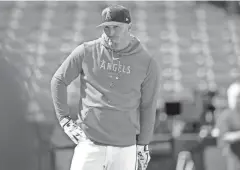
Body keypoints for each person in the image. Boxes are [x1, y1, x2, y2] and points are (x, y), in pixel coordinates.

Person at [51, 4, 161, 170]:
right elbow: (58, 80)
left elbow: (148, 106)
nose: (110, 33)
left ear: (129, 27)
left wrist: (143, 145)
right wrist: (65, 120)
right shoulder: (86, 51)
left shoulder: (147, 63)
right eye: (106, 28)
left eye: (116, 27)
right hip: (89, 143)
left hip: (126, 148)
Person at [215, 82, 240, 170]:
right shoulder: (225, 116)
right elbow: (224, 136)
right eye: (236, 97)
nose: (238, 100)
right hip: (232, 157)